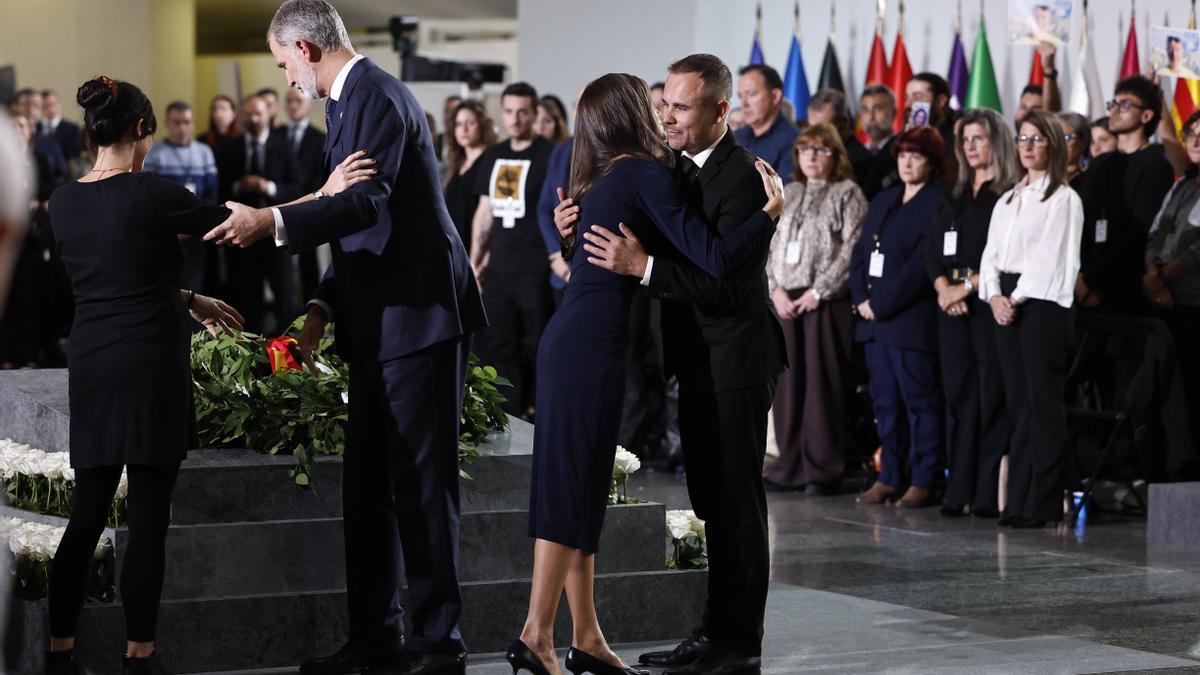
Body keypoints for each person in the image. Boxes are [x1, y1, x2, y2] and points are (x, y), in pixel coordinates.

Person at [202, 2, 486, 672]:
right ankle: (374, 638)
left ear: (303, 46)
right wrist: (322, 305)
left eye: (282, 64)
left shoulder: (377, 96)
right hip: (378, 322)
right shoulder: (347, 103)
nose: (286, 79)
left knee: (422, 483)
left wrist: (270, 221)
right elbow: (360, 233)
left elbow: (363, 203)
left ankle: (437, 642)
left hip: (418, 320)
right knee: (366, 488)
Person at [509, 71, 782, 675]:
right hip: (592, 346)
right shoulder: (644, 172)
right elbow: (705, 256)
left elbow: (697, 267)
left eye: (677, 106)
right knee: (574, 490)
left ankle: (589, 638)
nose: (667, 116)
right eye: (660, 105)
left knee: (581, 490)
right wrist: (770, 215)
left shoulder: (611, 175)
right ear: (635, 111)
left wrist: (619, 255)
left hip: (587, 342)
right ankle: (537, 635)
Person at [43, 75, 245, 675]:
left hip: (96, 365)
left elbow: (113, 271)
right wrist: (323, 194)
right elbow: (238, 220)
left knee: (87, 514)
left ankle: (59, 654)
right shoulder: (157, 193)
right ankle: (139, 657)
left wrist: (186, 296)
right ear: (140, 132)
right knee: (149, 522)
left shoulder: (62, 200)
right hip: (152, 365)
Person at [979, 108, 1083, 528]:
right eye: (1022, 139)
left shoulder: (1064, 199)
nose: (1028, 147)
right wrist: (993, 295)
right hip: (1006, 301)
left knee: (1043, 405)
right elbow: (989, 256)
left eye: (1037, 139)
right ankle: (1017, 502)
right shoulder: (1008, 198)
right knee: (1019, 404)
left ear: (1053, 146)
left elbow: (1053, 259)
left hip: (1041, 304)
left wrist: (1014, 298)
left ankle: (1042, 503)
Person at [763, 123, 866, 494]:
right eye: (805, 150)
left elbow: (851, 248)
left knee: (822, 387)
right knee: (789, 387)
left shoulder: (848, 192)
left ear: (835, 156)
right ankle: (789, 466)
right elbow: (769, 244)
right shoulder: (789, 191)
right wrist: (775, 290)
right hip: (786, 299)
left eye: (821, 150)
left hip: (825, 302)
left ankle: (821, 469)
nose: (811, 157)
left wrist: (819, 291)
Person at [926, 109, 1017, 518]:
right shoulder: (955, 193)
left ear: (997, 141)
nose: (971, 147)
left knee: (991, 395)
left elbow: (1007, 255)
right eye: (965, 140)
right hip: (951, 304)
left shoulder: (1010, 194)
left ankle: (984, 493)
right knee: (960, 398)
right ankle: (957, 488)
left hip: (988, 301)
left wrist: (968, 287)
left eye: (978, 138)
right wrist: (945, 289)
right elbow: (931, 251)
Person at [851, 126, 945, 508]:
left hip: (909, 323)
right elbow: (861, 253)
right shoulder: (885, 197)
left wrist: (881, 303)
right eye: (903, 155)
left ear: (932, 162)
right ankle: (889, 475)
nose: (907, 162)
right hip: (873, 323)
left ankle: (924, 479)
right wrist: (860, 297)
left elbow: (922, 264)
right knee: (884, 404)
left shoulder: (939, 201)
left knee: (920, 404)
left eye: (916, 156)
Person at [468, 82, 554, 419]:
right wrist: (475, 264)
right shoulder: (495, 154)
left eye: (523, 112)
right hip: (500, 269)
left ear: (535, 114)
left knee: (538, 346)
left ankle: (541, 413)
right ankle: (509, 418)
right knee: (499, 346)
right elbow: (484, 214)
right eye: (509, 112)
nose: (515, 119)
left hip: (535, 268)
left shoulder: (550, 155)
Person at [1077, 76, 1175, 314]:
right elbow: (1082, 220)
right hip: (1083, 283)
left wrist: (1096, 283)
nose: (1115, 110)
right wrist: (1080, 276)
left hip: (1126, 285)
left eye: (1126, 105)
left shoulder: (1156, 163)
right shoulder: (1100, 164)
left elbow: (1140, 230)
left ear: (1146, 116)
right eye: (1114, 103)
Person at [215, 95, 301, 332]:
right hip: (242, 241)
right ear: (240, 116)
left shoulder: (283, 146)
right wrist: (238, 187)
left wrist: (267, 187)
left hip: (276, 237)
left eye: (258, 114)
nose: (253, 119)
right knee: (245, 303)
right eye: (248, 114)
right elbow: (218, 190)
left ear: (268, 115)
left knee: (284, 301)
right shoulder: (228, 148)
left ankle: (288, 357)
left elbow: (297, 188)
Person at [1143, 110, 1200, 472]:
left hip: (1194, 303)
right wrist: (1151, 273)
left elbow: (1198, 249)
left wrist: (1163, 275)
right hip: (1164, 300)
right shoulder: (1183, 184)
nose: (1194, 141)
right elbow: (1155, 234)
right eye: (1191, 133)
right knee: (1168, 393)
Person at [142, 101, 220, 293]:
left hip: (197, 234)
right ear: (167, 123)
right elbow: (149, 196)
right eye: (176, 122)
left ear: (193, 124)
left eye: (186, 122)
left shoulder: (204, 152)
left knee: (196, 289)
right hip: (166, 234)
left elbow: (212, 193)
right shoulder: (154, 154)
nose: (182, 128)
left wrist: (196, 225)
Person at [280, 87, 329, 306]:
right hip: (280, 209)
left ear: (309, 104)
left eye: (298, 100)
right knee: (281, 271)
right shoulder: (277, 135)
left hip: (308, 209)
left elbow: (321, 177)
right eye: (289, 101)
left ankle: (310, 314)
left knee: (309, 267)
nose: (293, 105)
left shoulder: (320, 139)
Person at [443, 100, 498, 252]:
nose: (464, 129)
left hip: (479, 247)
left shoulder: (491, 159)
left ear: (482, 125)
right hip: (455, 246)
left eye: (470, 123)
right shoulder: (457, 163)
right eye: (459, 124)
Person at [735, 64, 800, 183]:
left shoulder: (795, 141)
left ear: (775, 96)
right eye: (741, 96)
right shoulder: (735, 137)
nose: (744, 104)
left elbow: (785, 195)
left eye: (751, 94)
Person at [857, 84, 899, 200]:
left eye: (878, 109)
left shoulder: (901, 152)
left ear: (894, 113)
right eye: (865, 110)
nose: (871, 117)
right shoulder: (855, 154)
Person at [39, 89, 81, 163]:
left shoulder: (72, 129)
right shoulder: (37, 128)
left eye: (53, 104)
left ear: (58, 104)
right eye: (45, 106)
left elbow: (74, 156)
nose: (50, 108)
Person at [1057, 111, 1090, 189]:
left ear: (1083, 142)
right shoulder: (1041, 180)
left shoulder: (1091, 181)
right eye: (1055, 137)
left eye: (1065, 137)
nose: (1057, 143)